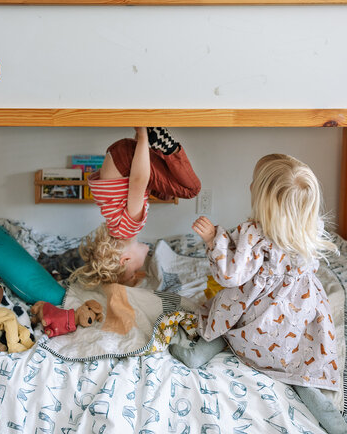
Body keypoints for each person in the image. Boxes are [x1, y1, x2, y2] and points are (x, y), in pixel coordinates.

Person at [169, 153, 346, 434]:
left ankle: (199, 353)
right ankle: (331, 418)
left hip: (255, 329)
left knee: (226, 321)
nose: (249, 186)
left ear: (263, 199)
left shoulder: (253, 234)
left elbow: (230, 276)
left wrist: (213, 239)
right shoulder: (312, 230)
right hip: (293, 332)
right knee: (303, 372)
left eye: (254, 183)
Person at [70, 127, 201, 288]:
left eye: (133, 272)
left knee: (190, 190)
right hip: (118, 157)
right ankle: (155, 140)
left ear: (125, 259)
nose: (140, 270)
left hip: (126, 160)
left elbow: (139, 180)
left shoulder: (129, 228)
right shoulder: (115, 229)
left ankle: (163, 142)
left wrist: (142, 137)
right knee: (167, 194)